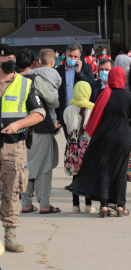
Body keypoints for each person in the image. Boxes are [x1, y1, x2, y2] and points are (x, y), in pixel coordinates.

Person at [66, 67, 131, 218]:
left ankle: (104, 206)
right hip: (123, 136)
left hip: (104, 135)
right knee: (120, 171)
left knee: (105, 169)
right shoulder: (129, 96)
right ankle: (121, 206)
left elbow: (97, 115)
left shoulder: (104, 94)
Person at [0, 44, 45, 252]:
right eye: (5, 59)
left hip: (13, 146)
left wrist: (18, 124)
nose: (10, 63)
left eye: (12, 59)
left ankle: (10, 235)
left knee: (13, 191)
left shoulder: (25, 84)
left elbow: (39, 113)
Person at [17, 48, 60, 216]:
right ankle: (44, 204)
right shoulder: (35, 79)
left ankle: (26, 203)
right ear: (33, 62)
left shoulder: (12, 80)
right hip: (39, 127)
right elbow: (53, 101)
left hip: (18, 130)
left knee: (25, 165)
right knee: (43, 166)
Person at [64, 81, 96, 213]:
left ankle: (75, 206)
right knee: (88, 174)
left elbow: (67, 126)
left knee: (75, 175)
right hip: (87, 144)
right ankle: (88, 205)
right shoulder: (93, 108)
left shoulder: (68, 109)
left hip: (73, 144)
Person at [56, 43, 95, 138]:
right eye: (70, 56)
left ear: (79, 56)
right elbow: (56, 93)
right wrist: (58, 117)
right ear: (66, 54)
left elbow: (91, 85)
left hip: (82, 110)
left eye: (75, 56)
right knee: (71, 141)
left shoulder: (86, 68)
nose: (72, 59)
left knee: (83, 142)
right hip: (66, 111)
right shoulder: (59, 70)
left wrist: (79, 72)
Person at [20, 48, 62, 132]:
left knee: (47, 110)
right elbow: (59, 82)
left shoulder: (37, 70)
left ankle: (53, 125)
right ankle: (55, 126)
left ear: (40, 61)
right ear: (52, 62)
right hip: (53, 94)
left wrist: (17, 75)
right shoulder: (55, 72)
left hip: (43, 94)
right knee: (52, 111)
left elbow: (28, 72)